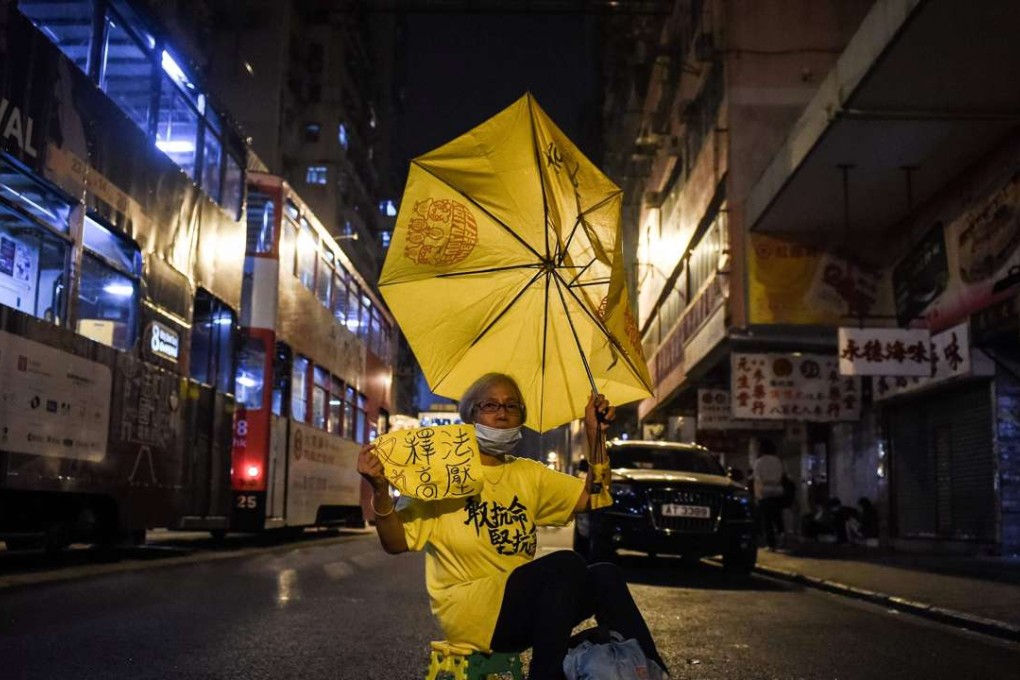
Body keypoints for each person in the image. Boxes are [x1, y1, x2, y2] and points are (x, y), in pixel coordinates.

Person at [357, 372, 667, 680]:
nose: (502, 413)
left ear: (521, 417)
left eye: (512, 406)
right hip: (471, 613)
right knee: (566, 564)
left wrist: (595, 435)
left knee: (604, 575)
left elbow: (594, 496)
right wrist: (381, 492)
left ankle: (652, 672)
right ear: (470, 414)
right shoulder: (443, 475)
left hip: (524, 608)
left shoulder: (529, 474)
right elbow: (395, 543)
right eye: (490, 405)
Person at [752, 438, 785, 550]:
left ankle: (771, 544)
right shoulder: (778, 461)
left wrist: (757, 494)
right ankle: (781, 533)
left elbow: (757, 478)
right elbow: (781, 475)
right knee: (777, 516)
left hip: (765, 492)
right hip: (777, 491)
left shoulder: (759, 462)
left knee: (767, 520)